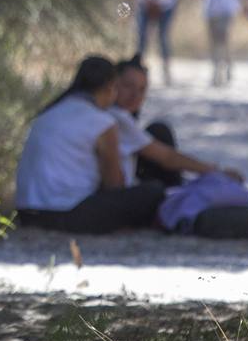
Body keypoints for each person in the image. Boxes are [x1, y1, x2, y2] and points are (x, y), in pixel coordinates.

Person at [15, 56, 165, 234]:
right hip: (66, 214)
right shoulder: (102, 121)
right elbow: (114, 185)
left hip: (27, 214)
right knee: (153, 191)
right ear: (110, 87)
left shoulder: (49, 113)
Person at [112, 57, 242, 188]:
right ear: (112, 85)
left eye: (142, 89)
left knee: (158, 131)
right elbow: (168, 158)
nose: (135, 95)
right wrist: (216, 172)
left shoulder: (117, 115)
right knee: (160, 134)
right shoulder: (115, 117)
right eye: (128, 86)